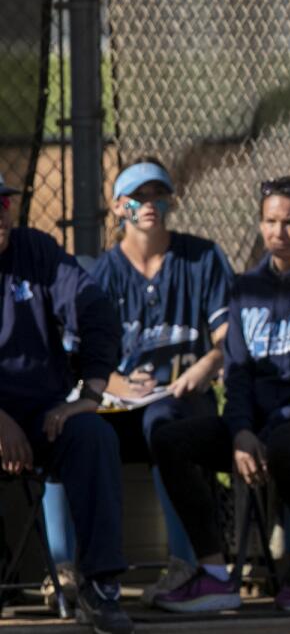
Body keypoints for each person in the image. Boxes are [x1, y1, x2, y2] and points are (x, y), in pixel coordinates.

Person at [147, 176, 290, 613]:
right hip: (256, 430)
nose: (279, 232)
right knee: (171, 439)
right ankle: (215, 575)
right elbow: (237, 372)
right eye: (270, 221)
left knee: (285, 443)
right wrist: (240, 430)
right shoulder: (247, 287)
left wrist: (263, 431)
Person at [89, 159, 235, 600]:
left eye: (158, 195)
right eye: (139, 196)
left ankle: (186, 564)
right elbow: (85, 357)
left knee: (163, 422)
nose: (150, 204)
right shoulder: (104, 272)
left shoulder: (202, 257)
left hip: (182, 401)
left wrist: (204, 366)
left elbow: (228, 341)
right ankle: (90, 571)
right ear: (118, 207)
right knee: (86, 433)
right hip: (123, 406)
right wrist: (115, 382)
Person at [0, 181, 133, 634]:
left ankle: (100, 587)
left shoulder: (34, 250)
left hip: (44, 417)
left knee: (93, 436)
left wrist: (89, 397)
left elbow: (96, 312)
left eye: (3, 203)